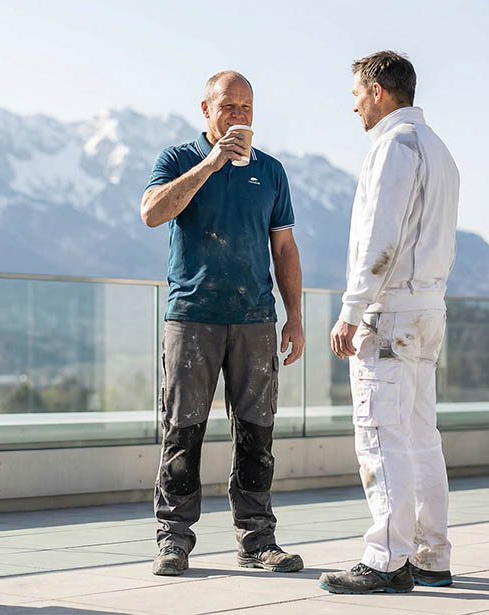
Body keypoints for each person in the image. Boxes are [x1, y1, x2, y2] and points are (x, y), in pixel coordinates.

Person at [140, 70, 305, 577]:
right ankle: (173, 540)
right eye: (228, 106)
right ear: (206, 110)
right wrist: (210, 165)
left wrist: (294, 317)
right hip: (192, 318)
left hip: (255, 317)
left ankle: (257, 541)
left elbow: (284, 247)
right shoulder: (177, 160)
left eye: (247, 107)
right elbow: (150, 212)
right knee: (182, 430)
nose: (239, 115)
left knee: (257, 432)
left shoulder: (272, 172)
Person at [319, 51, 460, 594]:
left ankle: (386, 559)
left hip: (391, 311)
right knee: (422, 436)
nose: (352, 103)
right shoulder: (439, 150)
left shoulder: (393, 148)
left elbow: (381, 240)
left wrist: (351, 312)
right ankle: (431, 555)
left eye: (357, 92)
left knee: (379, 434)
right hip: (428, 309)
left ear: (378, 91)